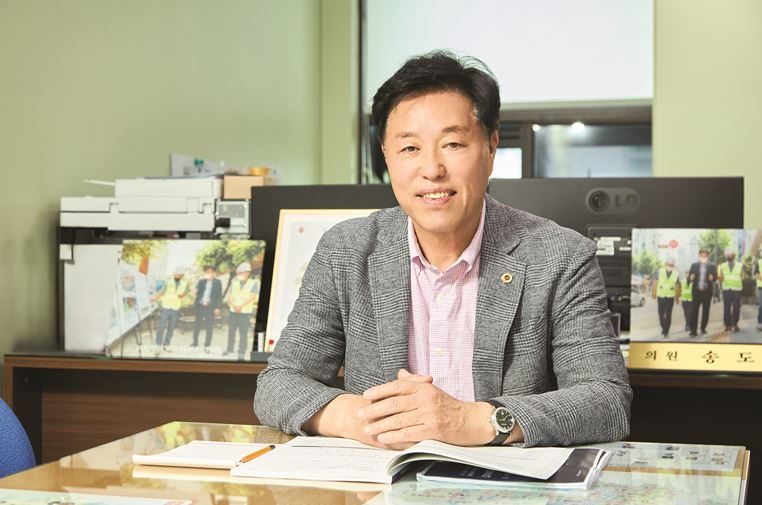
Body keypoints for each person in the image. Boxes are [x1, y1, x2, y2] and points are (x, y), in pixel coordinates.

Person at [254, 50, 631, 449]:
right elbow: (278, 383)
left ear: (491, 147)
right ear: (386, 156)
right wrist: (363, 418)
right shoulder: (346, 252)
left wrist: (474, 420)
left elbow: (606, 401)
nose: (432, 169)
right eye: (409, 148)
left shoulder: (561, 257)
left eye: (452, 143)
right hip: (384, 476)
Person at [225, 262, 259, 359]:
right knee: (231, 332)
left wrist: (240, 306)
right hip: (233, 311)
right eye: (238, 273)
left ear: (247, 273)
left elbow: (252, 296)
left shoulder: (253, 283)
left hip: (244, 313)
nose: (239, 275)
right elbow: (229, 296)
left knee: (243, 334)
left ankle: (241, 352)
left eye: (241, 273)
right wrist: (234, 305)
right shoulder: (234, 283)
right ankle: (229, 349)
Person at [152, 266, 189, 351]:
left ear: (182, 275)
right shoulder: (169, 282)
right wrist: (154, 298)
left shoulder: (184, 284)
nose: (176, 276)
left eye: (178, 275)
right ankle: (158, 345)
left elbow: (185, 293)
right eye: (175, 274)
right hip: (166, 307)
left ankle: (166, 344)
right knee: (161, 326)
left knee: (171, 327)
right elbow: (162, 291)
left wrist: (183, 295)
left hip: (175, 308)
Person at [192, 265, 223, 352]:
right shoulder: (201, 281)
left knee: (209, 327)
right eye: (207, 272)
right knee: (197, 326)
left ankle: (207, 345)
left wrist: (218, 307)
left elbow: (219, 296)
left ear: (214, 273)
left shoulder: (218, 282)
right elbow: (196, 291)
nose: (209, 273)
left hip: (210, 308)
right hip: (200, 307)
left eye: (211, 272)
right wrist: (194, 291)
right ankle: (195, 343)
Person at [688, 248, 717, 336]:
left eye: (705, 256)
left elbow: (715, 277)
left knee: (706, 311)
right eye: (702, 256)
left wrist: (713, 278)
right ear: (699, 256)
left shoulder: (712, 266)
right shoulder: (694, 265)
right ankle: (693, 331)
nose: (703, 257)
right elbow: (689, 277)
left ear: (708, 256)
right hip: (696, 291)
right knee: (694, 311)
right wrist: (690, 278)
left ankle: (703, 328)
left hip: (707, 292)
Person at [651, 258, 680, 337]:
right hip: (661, 296)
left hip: (670, 297)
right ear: (665, 264)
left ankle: (666, 331)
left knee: (668, 314)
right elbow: (655, 282)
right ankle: (664, 327)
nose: (670, 266)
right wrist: (653, 293)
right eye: (669, 264)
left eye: (672, 265)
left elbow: (677, 286)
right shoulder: (659, 271)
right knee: (661, 313)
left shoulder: (676, 274)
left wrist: (677, 297)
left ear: (674, 266)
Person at [718, 247, 743, 332]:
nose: (728, 255)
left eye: (730, 254)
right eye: (727, 254)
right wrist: (720, 277)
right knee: (727, 307)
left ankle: (735, 323)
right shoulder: (722, 265)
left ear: (734, 255)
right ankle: (727, 324)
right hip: (726, 289)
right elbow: (720, 277)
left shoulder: (740, 265)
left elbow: (742, 276)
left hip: (737, 289)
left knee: (736, 307)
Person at [755, 245, 762, 331]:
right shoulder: (759, 262)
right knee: (761, 306)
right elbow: (756, 274)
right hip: (761, 288)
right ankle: (760, 323)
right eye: (761, 251)